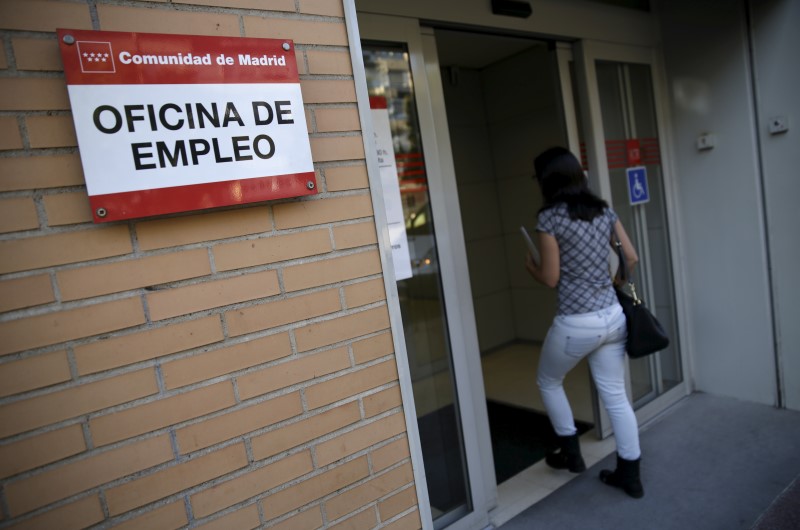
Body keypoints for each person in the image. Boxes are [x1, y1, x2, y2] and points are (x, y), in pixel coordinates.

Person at [524, 146, 644, 499]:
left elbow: (550, 277)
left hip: (576, 322)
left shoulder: (549, 218)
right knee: (616, 397)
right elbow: (631, 256)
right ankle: (631, 474)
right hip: (613, 317)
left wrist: (532, 268)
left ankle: (570, 453)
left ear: (547, 180)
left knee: (548, 380)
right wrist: (616, 283)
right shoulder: (603, 211)